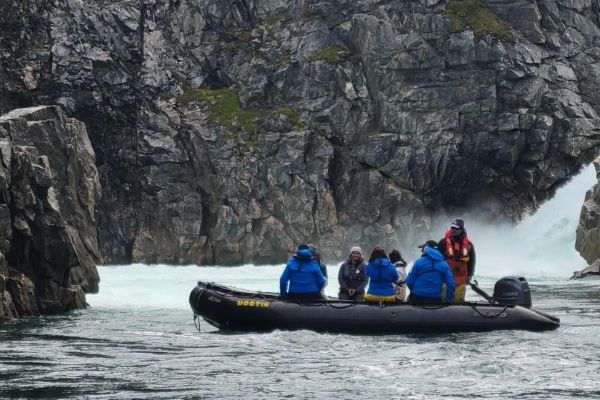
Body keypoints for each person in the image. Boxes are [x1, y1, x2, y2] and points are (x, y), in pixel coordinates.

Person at [437, 218, 476, 303]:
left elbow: (472, 262)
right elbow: (437, 260)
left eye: (456, 228)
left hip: (461, 279)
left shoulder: (469, 245)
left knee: (459, 302)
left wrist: (470, 275)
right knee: (443, 300)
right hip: (445, 278)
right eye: (452, 228)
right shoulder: (443, 243)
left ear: (461, 229)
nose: (453, 230)